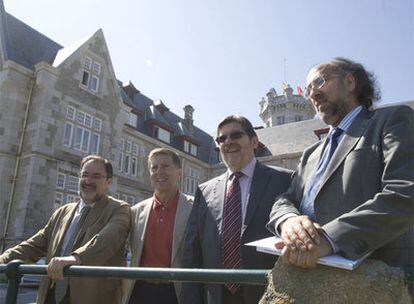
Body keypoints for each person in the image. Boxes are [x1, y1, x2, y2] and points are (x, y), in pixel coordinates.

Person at [267, 58, 413, 279]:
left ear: (350, 81)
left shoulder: (392, 120)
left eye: (319, 81)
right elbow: (285, 199)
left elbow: (405, 193)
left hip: (374, 279)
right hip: (308, 277)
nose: (313, 94)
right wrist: (288, 220)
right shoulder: (311, 153)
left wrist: (331, 238)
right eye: (308, 90)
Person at [181, 115, 292, 304]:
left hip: (269, 293)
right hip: (217, 296)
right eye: (221, 139)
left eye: (236, 135)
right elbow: (193, 253)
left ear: (254, 141)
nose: (228, 142)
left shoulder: (284, 180)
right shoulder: (205, 191)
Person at [0, 155, 131, 304]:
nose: (88, 181)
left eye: (96, 176)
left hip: (91, 297)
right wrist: (3, 260)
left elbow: (107, 240)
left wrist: (75, 258)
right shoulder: (63, 212)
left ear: (108, 182)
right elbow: (33, 245)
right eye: (85, 175)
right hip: (50, 295)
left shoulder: (119, 209)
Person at [122, 148, 193, 304]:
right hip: (140, 291)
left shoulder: (195, 209)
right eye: (154, 167)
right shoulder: (135, 211)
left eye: (166, 166)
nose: (159, 171)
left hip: (177, 292)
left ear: (179, 172)